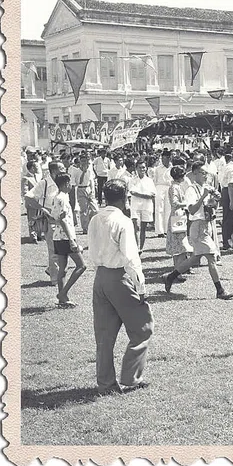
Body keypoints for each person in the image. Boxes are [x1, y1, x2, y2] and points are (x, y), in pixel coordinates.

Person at [87, 179, 151, 395]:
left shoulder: (95, 219)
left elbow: (92, 251)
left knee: (104, 335)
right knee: (142, 327)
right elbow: (131, 257)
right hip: (119, 276)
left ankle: (106, 383)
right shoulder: (123, 221)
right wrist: (140, 286)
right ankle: (131, 377)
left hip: (100, 277)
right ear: (124, 199)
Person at [163, 162, 233, 300]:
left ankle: (171, 277)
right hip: (197, 227)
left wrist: (215, 200)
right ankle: (220, 290)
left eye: (206, 173)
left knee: (194, 258)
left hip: (206, 225)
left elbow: (210, 206)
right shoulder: (191, 190)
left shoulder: (205, 188)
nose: (205, 176)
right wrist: (203, 197)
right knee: (211, 257)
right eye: (203, 173)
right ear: (195, 173)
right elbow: (191, 210)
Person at [24, 161, 66, 285]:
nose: (64, 169)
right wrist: (42, 209)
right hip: (50, 220)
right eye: (61, 168)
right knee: (54, 250)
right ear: (53, 171)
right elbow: (28, 197)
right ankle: (55, 279)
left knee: (66, 249)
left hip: (63, 221)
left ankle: (51, 269)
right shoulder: (45, 183)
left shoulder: (63, 181)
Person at [49, 173, 86, 308]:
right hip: (65, 237)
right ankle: (63, 293)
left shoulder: (56, 198)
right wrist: (71, 240)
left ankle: (62, 300)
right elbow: (63, 220)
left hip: (57, 237)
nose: (71, 185)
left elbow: (54, 218)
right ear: (66, 184)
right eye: (70, 183)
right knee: (81, 266)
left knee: (63, 269)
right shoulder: (63, 198)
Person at [165, 165, 194, 273]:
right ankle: (178, 270)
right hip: (177, 216)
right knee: (181, 245)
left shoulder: (176, 186)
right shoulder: (174, 187)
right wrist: (187, 203)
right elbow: (174, 203)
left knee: (179, 244)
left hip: (178, 215)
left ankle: (180, 268)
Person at [128, 161, 156, 250]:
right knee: (135, 227)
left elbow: (152, 195)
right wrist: (146, 195)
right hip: (135, 206)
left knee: (143, 229)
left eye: (143, 167)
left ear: (146, 168)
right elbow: (132, 192)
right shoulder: (132, 180)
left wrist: (138, 194)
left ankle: (141, 248)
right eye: (140, 167)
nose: (142, 169)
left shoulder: (149, 181)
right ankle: (136, 247)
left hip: (146, 207)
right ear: (136, 168)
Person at [219, 150, 233, 250]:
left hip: (228, 191)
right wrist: (232, 201)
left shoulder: (227, 166)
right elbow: (230, 184)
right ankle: (228, 242)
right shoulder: (232, 168)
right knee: (230, 218)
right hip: (230, 192)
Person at [74, 154, 98, 234]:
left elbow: (91, 181)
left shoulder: (90, 171)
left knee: (95, 209)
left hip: (88, 189)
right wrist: (83, 173)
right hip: (81, 189)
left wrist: (92, 191)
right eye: (82, 161)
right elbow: (79, 182)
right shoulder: (77, 171)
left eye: (86, 161)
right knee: (84, 210)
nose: (84, 163)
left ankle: (90, 224)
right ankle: (85, 228)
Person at [22, 161, 42, 242]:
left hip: (39, 202)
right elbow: (25, 192)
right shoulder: (26, 178)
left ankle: (39, 234)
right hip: (31, 202)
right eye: (36, 166)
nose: (38, 168)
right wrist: (32, 200)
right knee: (32, 219)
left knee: (39, 218)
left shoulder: (37, 177)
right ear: (32, 168)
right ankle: (33, 237)